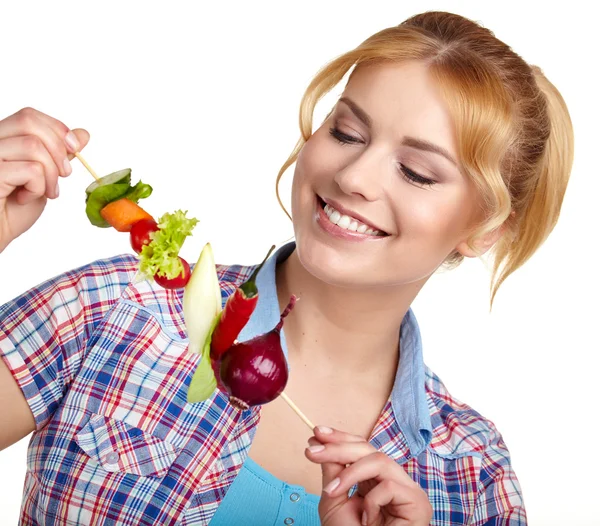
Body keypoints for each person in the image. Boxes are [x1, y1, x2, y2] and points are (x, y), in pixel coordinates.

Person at [0, 10, 573, 526]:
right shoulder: (111, 309)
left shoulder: (474, 477)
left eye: (417, 172)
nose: (353, 177)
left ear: (487, 230)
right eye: (346, 132)